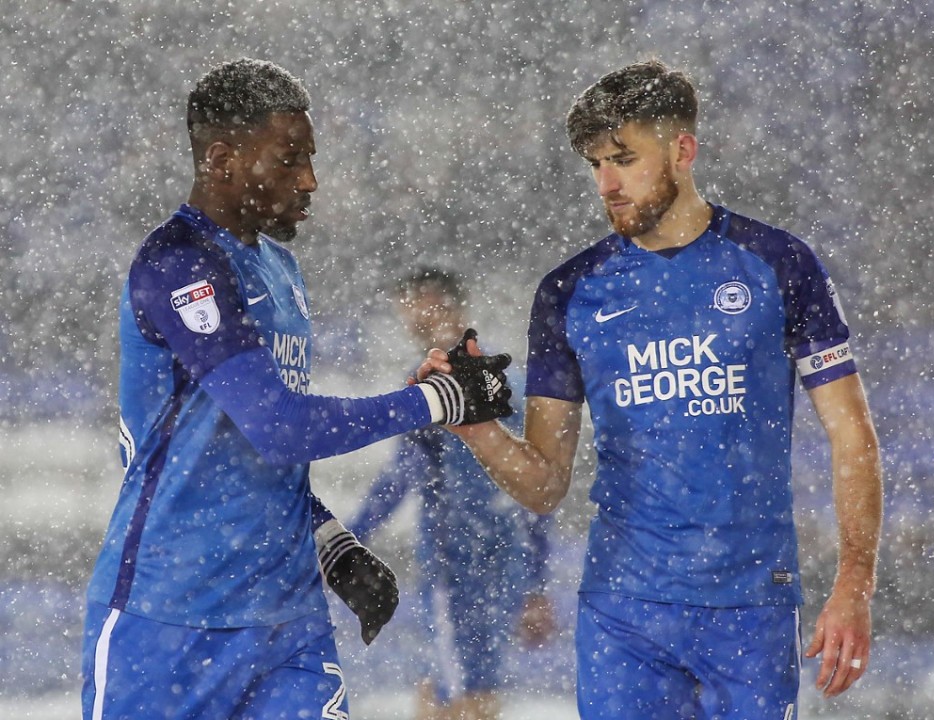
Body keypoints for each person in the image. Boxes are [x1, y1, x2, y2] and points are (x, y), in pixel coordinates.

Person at [433, 60, 883, 719]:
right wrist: (477, 428)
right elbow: (545, 484)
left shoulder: (779, 263)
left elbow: (852, 436)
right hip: (624, 615)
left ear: (682, 150)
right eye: (595, 164)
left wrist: (854, 583)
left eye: (623, 159)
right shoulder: (568, 292)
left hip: (751, 607)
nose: (606, 183)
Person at [80, 58, 513, 720]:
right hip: (168, 622)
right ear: (221, 160)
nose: (310, 180)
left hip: (287, 623)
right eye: (289, 160)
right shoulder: (178, 264)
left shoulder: (280, 269)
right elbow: (279, 428)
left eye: (310, 158)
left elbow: (245, 455)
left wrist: (328, 541)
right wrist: (437, 401)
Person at [349, 267, 555, 720]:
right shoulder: (501, 374)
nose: (410, 319)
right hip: (490, 558)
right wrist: (535, 581)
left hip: (460, 560)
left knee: (459, 692)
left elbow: (401, 476)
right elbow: (537, 486)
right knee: (459, 687)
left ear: (442, 304)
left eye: (415, 306)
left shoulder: (445, 381)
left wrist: (349, 536)